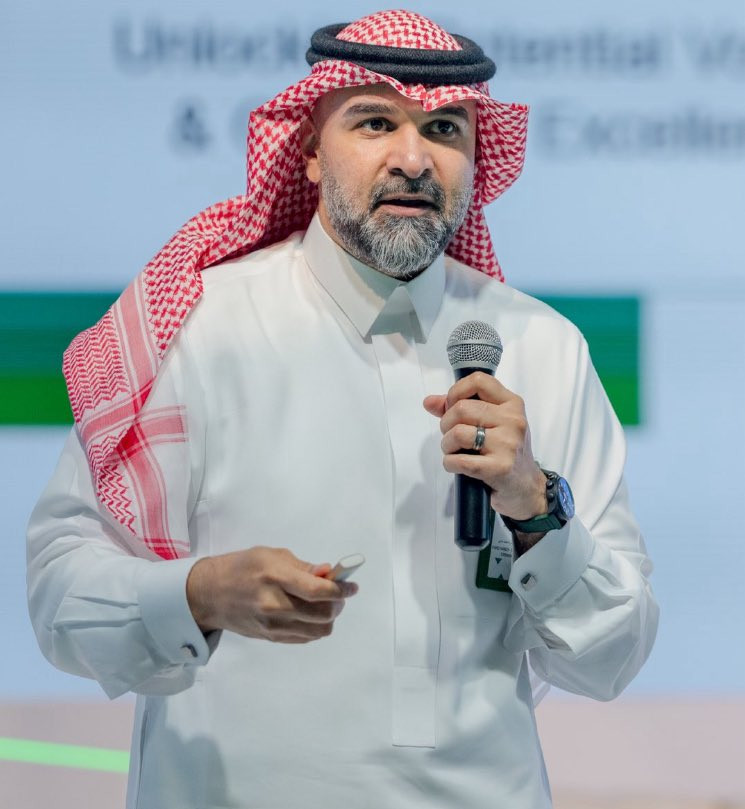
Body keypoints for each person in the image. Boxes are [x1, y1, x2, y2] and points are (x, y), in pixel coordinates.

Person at [27, 10, 658, 809]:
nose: (412, 159)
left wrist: (536, 509)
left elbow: (611, 657)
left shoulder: (544, 347)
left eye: (443, 129)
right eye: (374, 123)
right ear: (309, 149)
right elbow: (60, 599)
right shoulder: (199, 328)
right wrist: (198, 593)